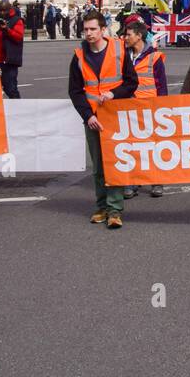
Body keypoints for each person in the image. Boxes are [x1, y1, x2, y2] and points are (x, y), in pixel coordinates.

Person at [68, 11, 138, 229]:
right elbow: (75, 91)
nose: (89, 33)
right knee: (98, 167)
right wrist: (87, 116)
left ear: (102, 30)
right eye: (86, 29)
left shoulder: (119, 50)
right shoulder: (79, 55)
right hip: (93, 119)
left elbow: (131, 82)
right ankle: (102, 206)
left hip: (116, 117)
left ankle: (115, 209)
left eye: (93, 29)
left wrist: (114, 94)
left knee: (114, 164)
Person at [121, 17, 167, 201]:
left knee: (153, 145)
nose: (125, 37)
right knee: (131, 146)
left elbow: (161, 85)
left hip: (150, 107)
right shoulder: (123, 55)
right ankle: (132, 182)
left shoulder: (154, 57)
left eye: (128, 34)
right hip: (128, 107)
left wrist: (163, 109)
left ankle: (157, 181)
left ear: (139, 36)